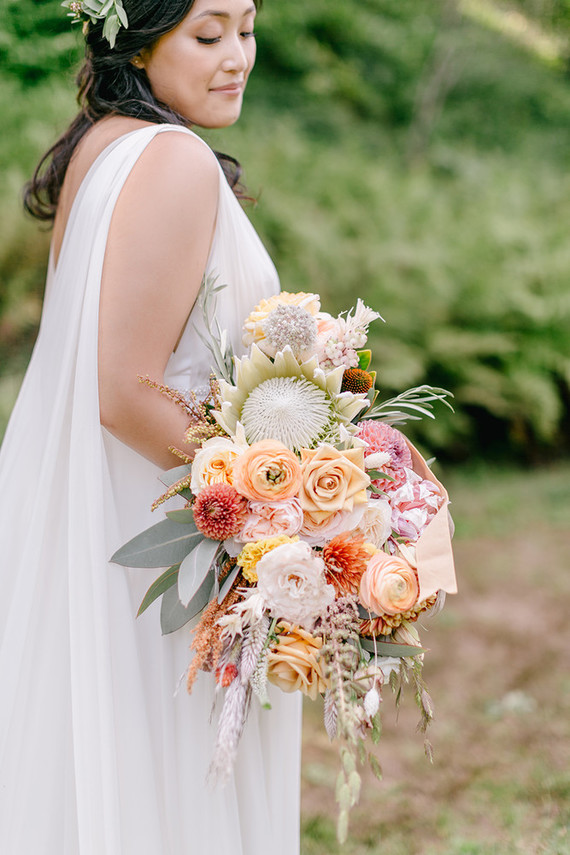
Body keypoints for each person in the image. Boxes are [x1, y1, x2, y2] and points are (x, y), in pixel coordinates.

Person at [0, 1, 302, 853]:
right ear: (134, 38)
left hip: (119, 524)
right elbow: (125, 391)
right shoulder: (170, 159)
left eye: (246, 28)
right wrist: (292, 509)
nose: (237, 56)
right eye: (209, 35)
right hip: (160, 546)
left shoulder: (101, 142)